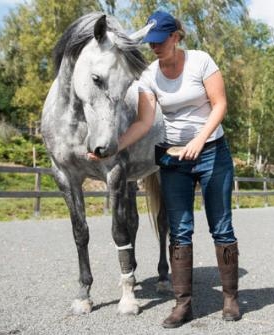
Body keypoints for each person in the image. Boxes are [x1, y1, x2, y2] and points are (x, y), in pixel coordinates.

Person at [87, 10, 240, 328]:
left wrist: (200, 139)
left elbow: (220, 103)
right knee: (180, 230)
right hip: (172, 158)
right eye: (151, 43)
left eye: (160, 41)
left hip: (212, 153)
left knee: (221, 227)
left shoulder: (200, 61)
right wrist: (113, 146)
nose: (154, 47)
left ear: (175, 36)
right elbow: (144, 122)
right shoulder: (149, 75)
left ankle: (230, 299)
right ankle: (183, 305)